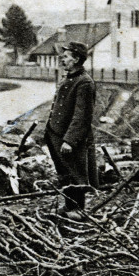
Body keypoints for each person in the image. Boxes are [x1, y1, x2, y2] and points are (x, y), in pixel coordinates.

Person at [44, 41, 99, 220]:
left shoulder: (85, 83)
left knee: (76, 173)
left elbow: (81, 115)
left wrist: (70, 140)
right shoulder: (68, 78)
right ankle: (68, 206)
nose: (62, 58)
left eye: (66, 56)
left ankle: (78, 210)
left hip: (71, 138)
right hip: (57, 134)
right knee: (64, 172)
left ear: (76, 59)